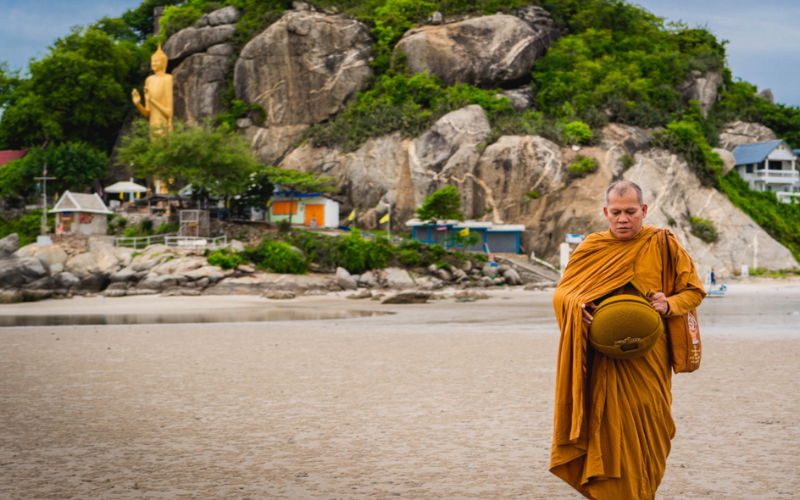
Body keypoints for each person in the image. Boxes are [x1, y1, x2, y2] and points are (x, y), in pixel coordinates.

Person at [550, 180, 705, 500]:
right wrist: (577, 306)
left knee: (654, 431)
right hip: (603, 361)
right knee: (606, 434)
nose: (623, 219)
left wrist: (669, 304)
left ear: (644, 211)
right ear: (606, 213)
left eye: (631, 212)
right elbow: (563, 292)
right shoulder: (591, 248)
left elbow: (694, 291)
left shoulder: (663, 244)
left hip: (650, 360)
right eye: (617, 212)